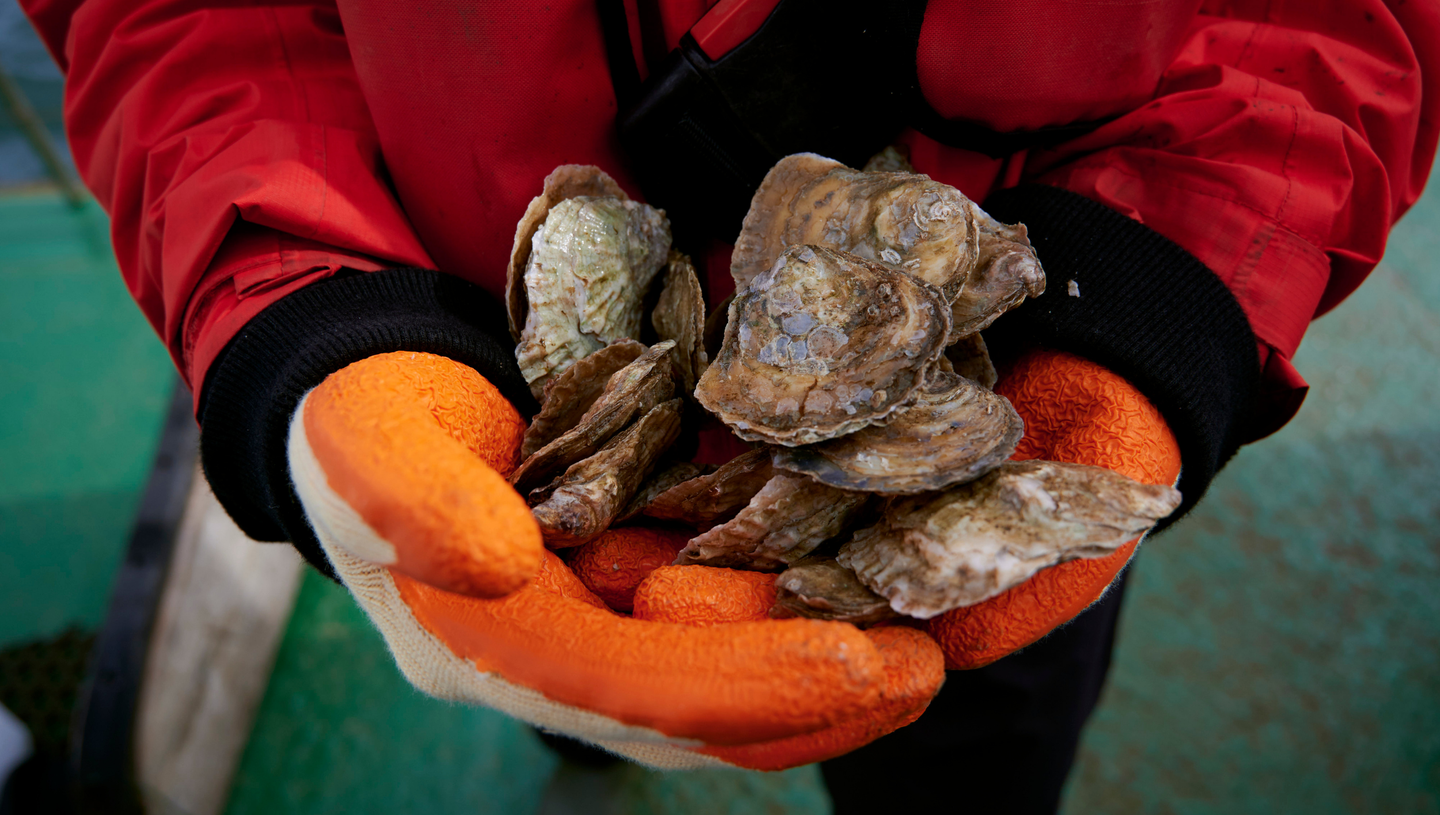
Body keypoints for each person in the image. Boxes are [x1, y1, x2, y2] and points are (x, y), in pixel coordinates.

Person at [20, 0, 1439, 810]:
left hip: (1014, 336)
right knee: (556, 651)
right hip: (507, 389)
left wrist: (1161, 286)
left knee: (970, 745)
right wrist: (313, 315)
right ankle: (575, 744)